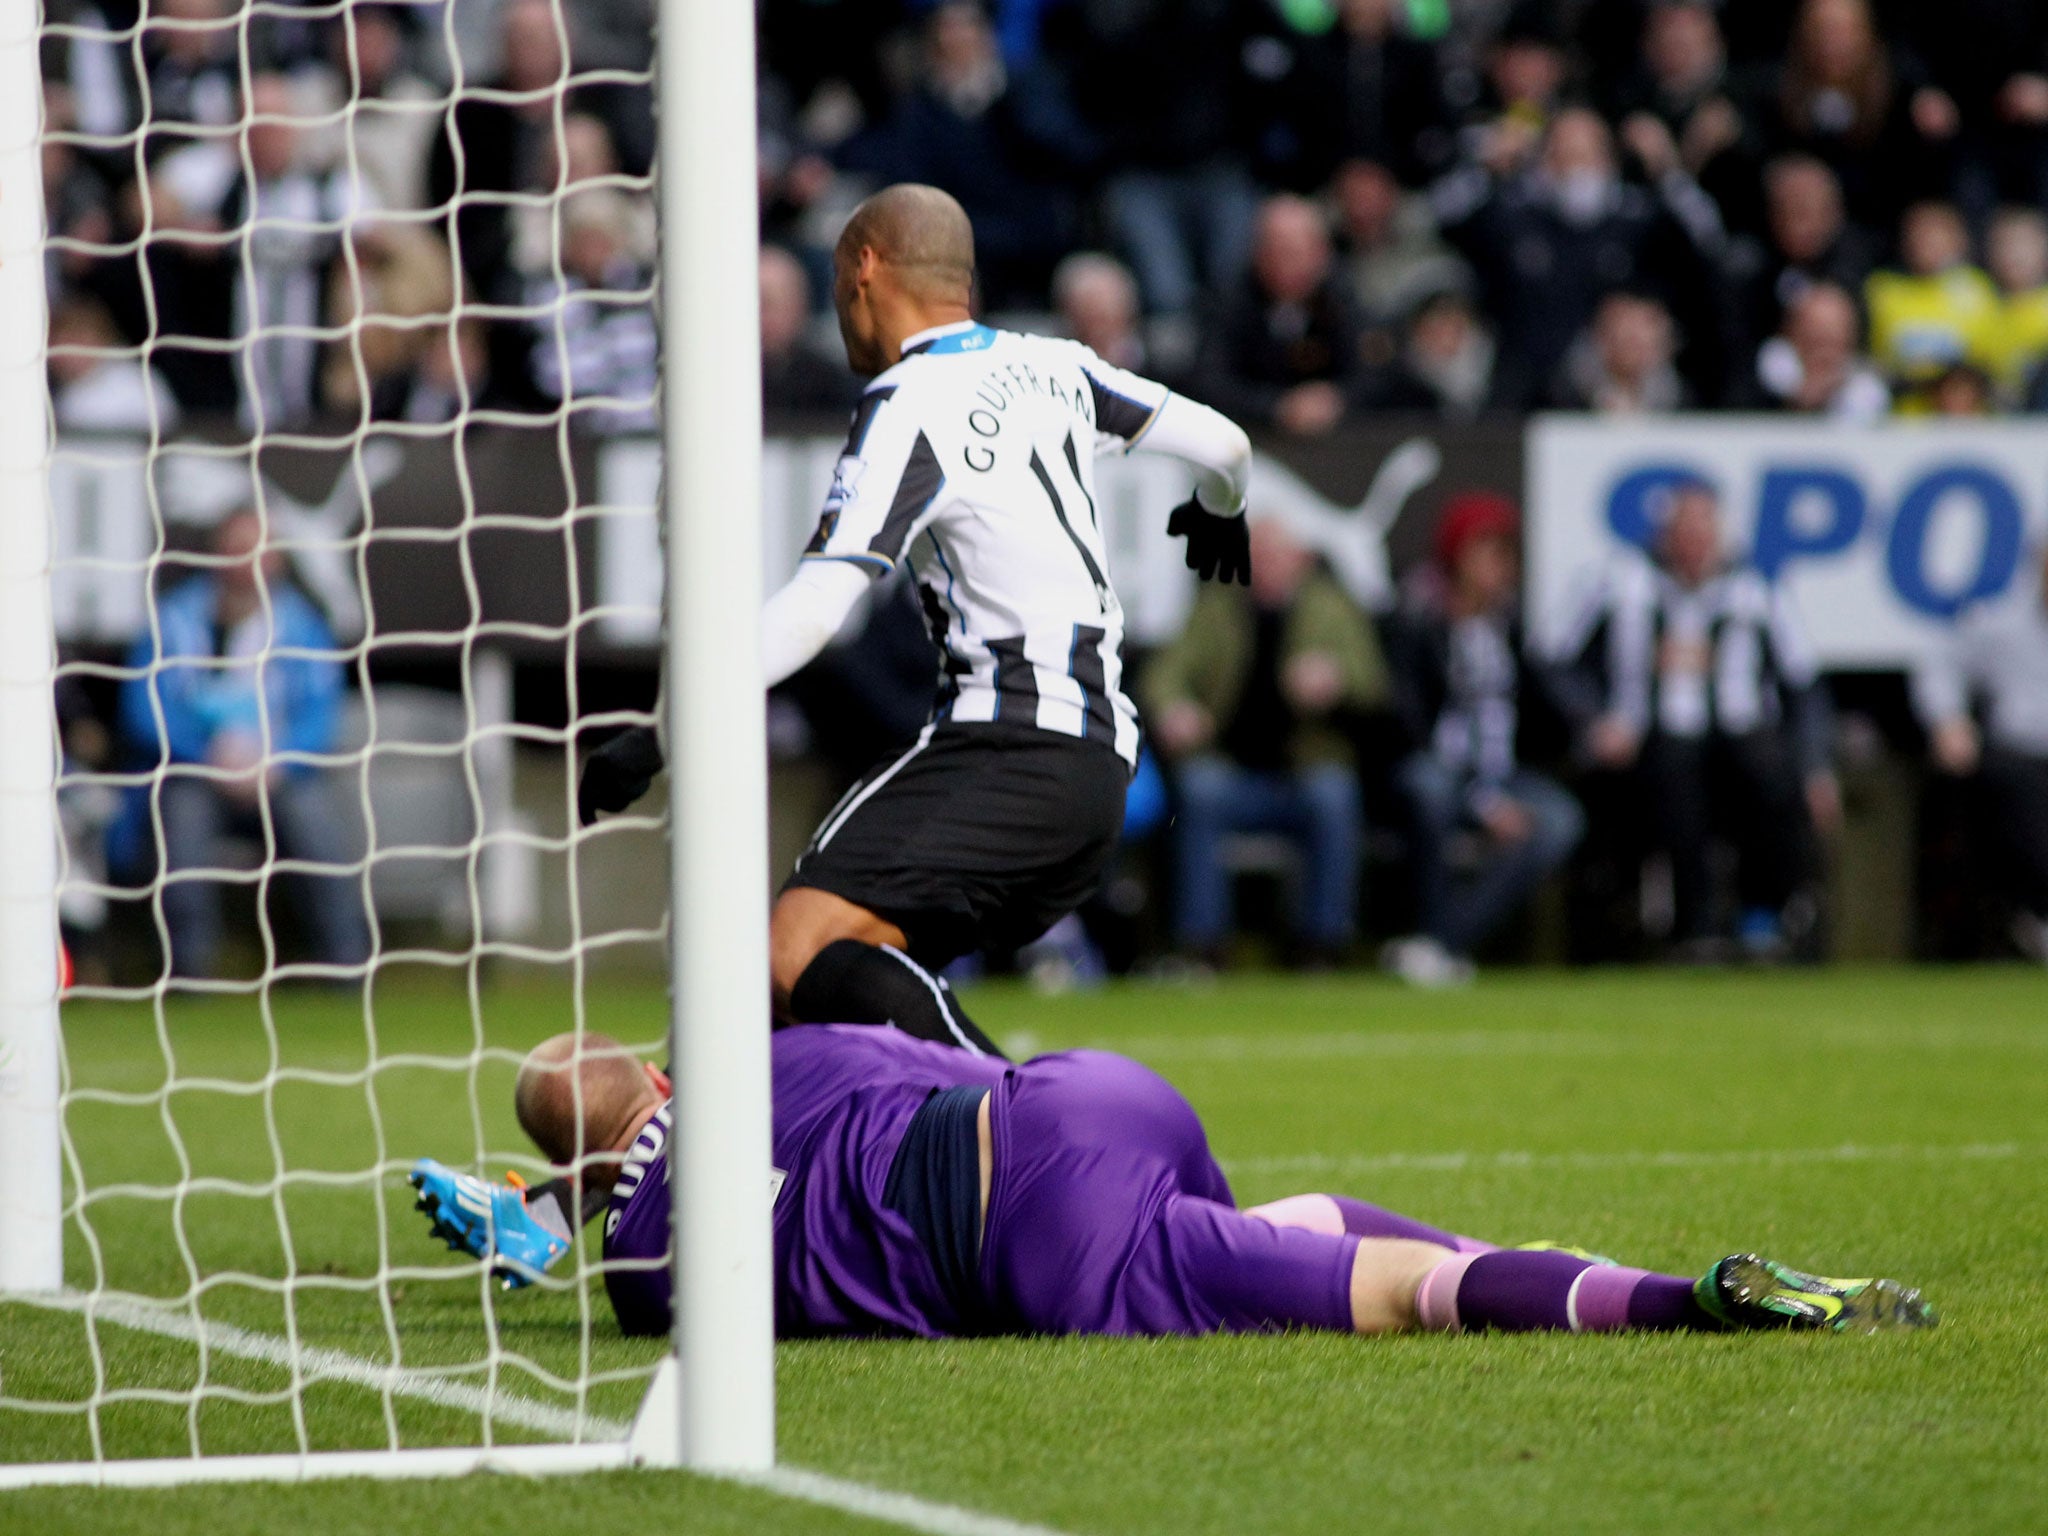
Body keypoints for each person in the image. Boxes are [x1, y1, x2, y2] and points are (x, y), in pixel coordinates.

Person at [578, 184, 1255, 1056]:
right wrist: (1219, 508)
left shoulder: (908, 402)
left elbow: (816, 611)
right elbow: (1227, 444)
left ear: (864, 268)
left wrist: (660, 736)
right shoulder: (1060, 365)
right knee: (818, 985)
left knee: (792, 946)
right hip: (1096, 773)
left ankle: (1023, 1134)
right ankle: (716, 1181)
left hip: (1006, 748)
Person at [410, 1026, 1936, 1340]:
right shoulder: (777, 1056)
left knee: (1394, 1302)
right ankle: (1609, 1270)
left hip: (1018, 1237)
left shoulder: (637, 1271)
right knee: (1305, 1229)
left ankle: (1685, 1307)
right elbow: (930, 1050)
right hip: (1081, 1096)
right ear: (660, 1072)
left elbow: (646, 1207)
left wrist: (555, 1218)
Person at [1566, 480, 1838, 959]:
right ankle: (1693, 920)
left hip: (1740, 735)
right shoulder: (1619, 583)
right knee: (1675, 775)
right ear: (1664, 535)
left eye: (1703, 532)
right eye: (1682, 532)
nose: (1693, 545)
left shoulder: (1755, 591)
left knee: (1771, 774)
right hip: (1651, 739)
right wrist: (1594, 719)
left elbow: (1803, 684)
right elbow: (1555, 660)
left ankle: (1765, 914)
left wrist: (1816, 764)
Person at [118, 509, 371, 981]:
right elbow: (142, 708)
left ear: (275, 558)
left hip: (276, 774)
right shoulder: (174, 620)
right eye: (237, 550)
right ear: (217, 555)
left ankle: (347, 970)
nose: (247, 563)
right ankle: (188, 975)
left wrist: (277, 760)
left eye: (258, 551)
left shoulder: (302, 626)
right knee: (182, 828)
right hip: (196, 771)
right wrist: (203, 753)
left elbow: (321, 712)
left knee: (317, 823)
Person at [1142, 518, 1388, 968]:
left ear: (1301, 560)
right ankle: (1203, 946)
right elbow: (1165, 673)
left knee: (1334, 795)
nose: (1268, 564)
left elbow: (1374, 685)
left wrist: (1336, 681)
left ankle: (1320, 945)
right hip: (1232, 771)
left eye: (1278, 554)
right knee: (1199, 788)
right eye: (1258, 554)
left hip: (1306, 768)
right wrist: (1175, 707)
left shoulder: (1331, 609)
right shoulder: (1217, 607)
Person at [1383, 494, 1583, 988]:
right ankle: (1431, 937)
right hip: (1439, 765)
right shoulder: (1415, 620)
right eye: (1487, 553)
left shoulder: (1510, 627)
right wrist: (1483, 800)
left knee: (1559, 821)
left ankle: (1442, 941)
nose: (1500, 568)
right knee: (1429, 790)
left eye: (1505, 555)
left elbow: (1544, 701)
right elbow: (1407, 723)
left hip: (1503, 769)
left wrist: (1589, 728)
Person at [1912, 538, 2048, 963]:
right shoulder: (2000, 621)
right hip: (2022, 754)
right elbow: (1939, 665)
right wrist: (1949, 719)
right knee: (2017, 794)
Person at [1190, 195, 1368, 439]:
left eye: (1295, 253)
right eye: (1275, 251)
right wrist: (1275, 407)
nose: (1285, 265)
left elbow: (1377, 373)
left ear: (1321, 253)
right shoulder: (1229, 303)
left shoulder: (1342, 300)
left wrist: (1335, 398)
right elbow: (1208, 383)